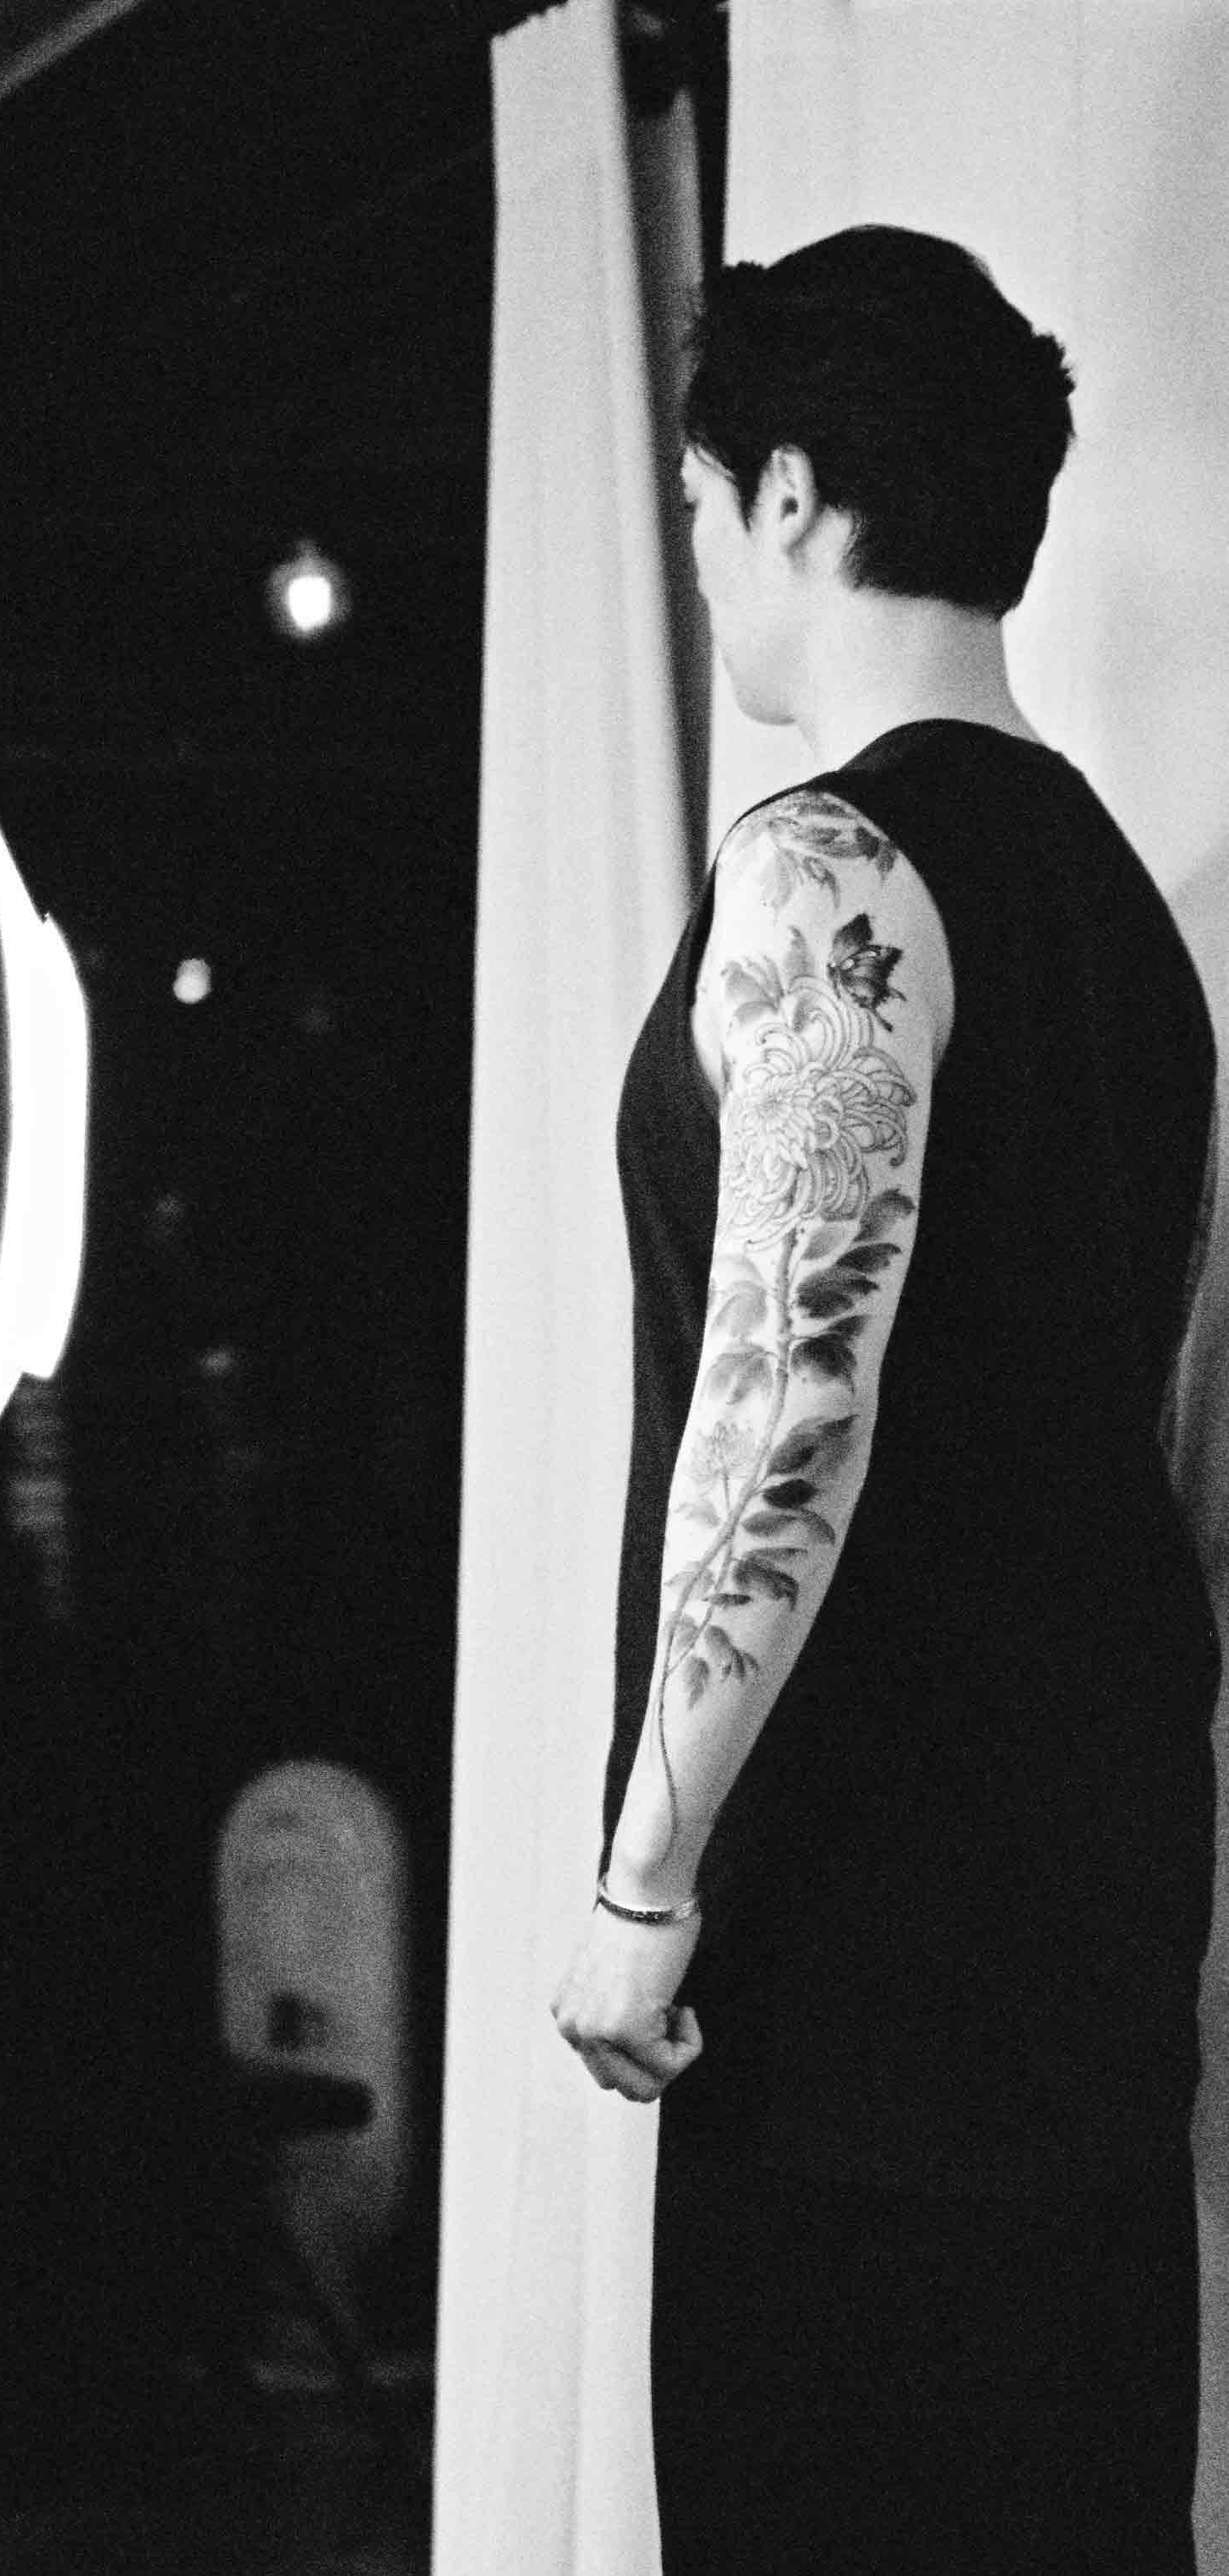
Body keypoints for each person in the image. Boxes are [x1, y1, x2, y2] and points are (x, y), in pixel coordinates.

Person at [549, 229, 1211, 2570]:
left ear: (793, 493)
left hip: (858, 1982)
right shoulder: (1129, 921)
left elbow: (783, 1412)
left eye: (701, 505)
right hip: (1092, 1957)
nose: (700, 563)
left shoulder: (824, 868)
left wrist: (642, 1879)